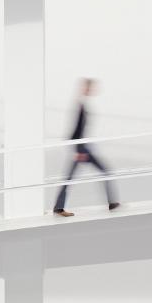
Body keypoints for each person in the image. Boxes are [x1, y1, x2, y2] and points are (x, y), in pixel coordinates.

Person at [53, 79, 120, 217]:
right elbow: (76, 130)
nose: (92, 90)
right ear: (85, 88)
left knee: (102, 172)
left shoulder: (82, 104)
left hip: (84, 146)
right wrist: (77, 150)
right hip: (81, 148)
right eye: (90, 88)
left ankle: (112, 203)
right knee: (72, 177)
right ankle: (59, 208)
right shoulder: (80, 105)